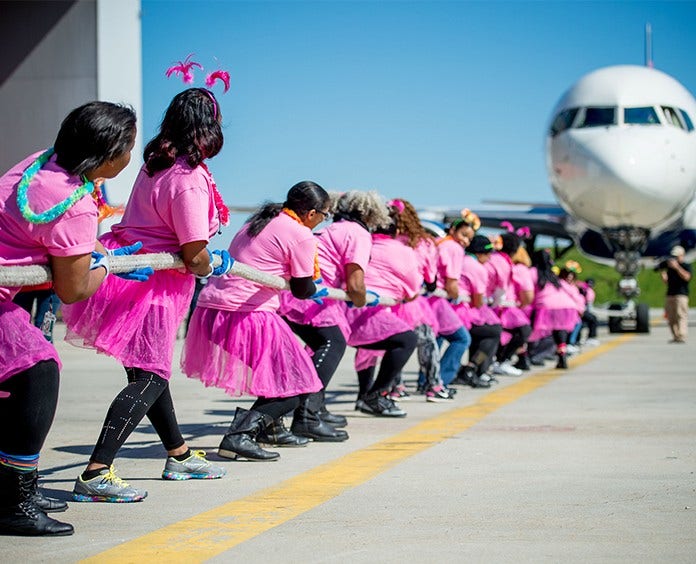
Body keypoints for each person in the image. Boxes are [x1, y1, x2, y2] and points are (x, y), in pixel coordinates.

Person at [62, 88, 230, 502]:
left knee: (146, 374)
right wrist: (214, 264)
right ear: (208, 128)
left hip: (132, 272)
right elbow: (193, 254)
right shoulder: (187, 179)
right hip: (152, 285)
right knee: (151, 376)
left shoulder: (157, 164)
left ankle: (179, 454)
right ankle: (95, 473)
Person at [0, 101, 139, 535]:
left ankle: (12, 485)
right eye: (129, 147)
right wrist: (108, 265)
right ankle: (14, 502)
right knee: (38, 372)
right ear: (109, 154)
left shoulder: (37, 165)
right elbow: (73, 288)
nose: (130, 156)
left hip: (10, 290)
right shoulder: (74, 204)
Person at [182, 181, 331, 460]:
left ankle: (271, 428)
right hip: (245, 313)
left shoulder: (262, 220)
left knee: (278, 377)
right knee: (299, 383)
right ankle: (240, 435)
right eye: (325, 215)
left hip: (213, 310)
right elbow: (301, 289)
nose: (324, 221)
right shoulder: (301, 234)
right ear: (311, 213)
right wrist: (314, 288)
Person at [280, 191, 392, 430]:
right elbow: (355, 283)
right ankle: (307, 416)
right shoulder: (358, 232)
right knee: (332, 344)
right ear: (370, 213)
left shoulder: (334, 228)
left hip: (301, 290)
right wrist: (361, 299)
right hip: (314, 295)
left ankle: (316, 408)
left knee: (321, 346)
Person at [349, 204, 419, 417]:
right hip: (375, 310)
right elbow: (413, 291)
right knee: (407, 340)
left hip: (343, 307)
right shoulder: (403, 251)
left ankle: (363, 397)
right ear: (397, 231)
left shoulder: (362, 242)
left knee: (363, 351)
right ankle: (376, 395)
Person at [424, 215, 475, 390]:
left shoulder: (439, 243)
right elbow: (451, 281)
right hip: (439, 298)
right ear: (453, 231)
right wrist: (455, 296)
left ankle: (426, 382)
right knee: (462, 339)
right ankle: (441, 381)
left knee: (434, 340)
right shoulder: (454, 248)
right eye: (464, 235)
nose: (466, 241)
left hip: (427, 297)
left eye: (470, 238)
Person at [454, 234, 501, 388]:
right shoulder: (477, 268)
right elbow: (478, 300)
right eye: (488, 254)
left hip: (450, 306)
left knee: (482, 333)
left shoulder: (461, 259)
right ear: (480, 253)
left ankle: (472, 369)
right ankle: (472, 367)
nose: (489, 258)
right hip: (462, 310)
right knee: (493, 332)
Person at [486, 232, 534, 376]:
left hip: (492, 304)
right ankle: (497, 361)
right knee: (521, 331)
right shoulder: (505, 263)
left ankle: (483, 365)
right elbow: (526, 293)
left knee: (491, 338)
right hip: (501, 305)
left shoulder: (495, 259)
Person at [528, 250, 584, 369]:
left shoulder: (533, 272)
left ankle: (530, 355)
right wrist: (579, 307)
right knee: (559, 332)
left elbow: (527, 291)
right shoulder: (553, 275)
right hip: (566, 306)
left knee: (534, 331)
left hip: (545, 306)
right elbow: (569, 291)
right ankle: (561, 356)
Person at [659, 245, 691, 343]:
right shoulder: (670, 268)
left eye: (677, 256)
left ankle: (682, 335)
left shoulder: (686, 266)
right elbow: (667, 282)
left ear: (682, 255)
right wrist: (664, 276)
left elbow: (687, 277)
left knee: (681, 315)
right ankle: (675, 336)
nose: (675, 259)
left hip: (681, 294)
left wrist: (677, 267)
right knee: (671, 316)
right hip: (670, 294)